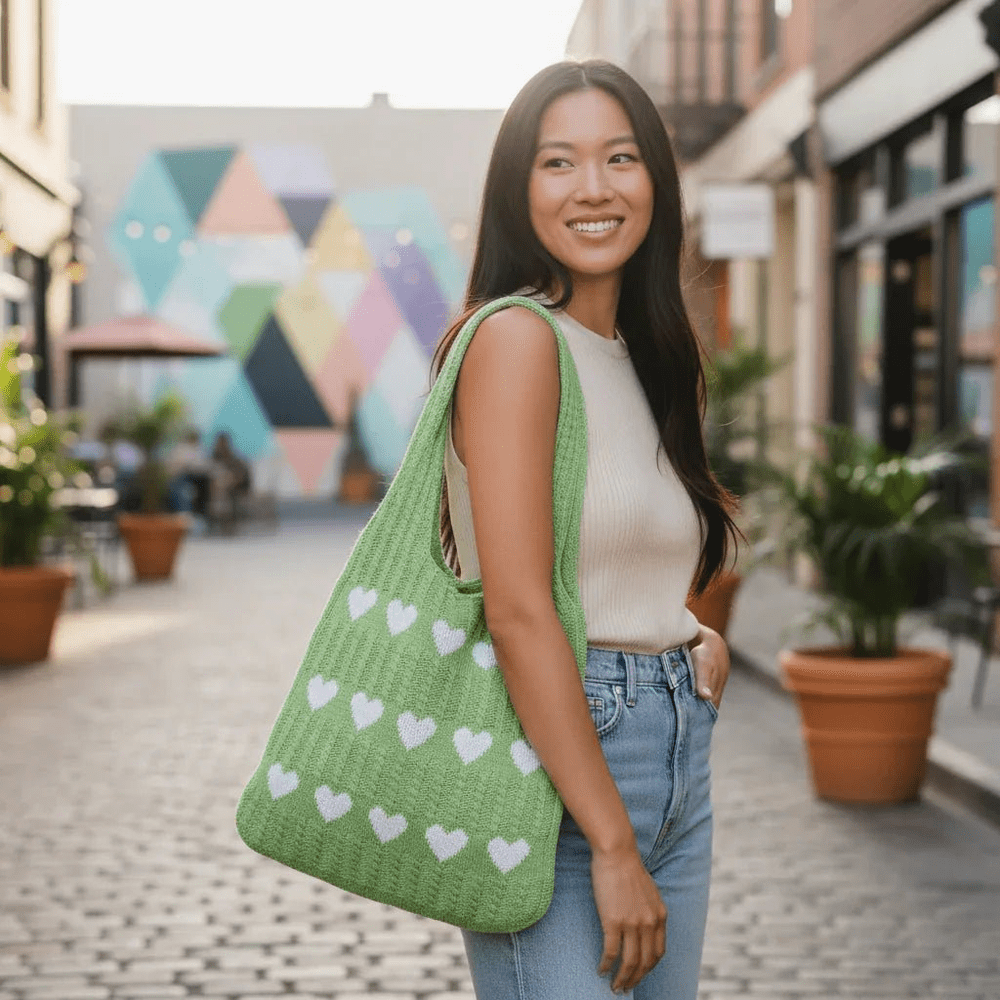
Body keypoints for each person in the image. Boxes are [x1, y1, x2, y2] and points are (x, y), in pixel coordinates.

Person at [430, 60, 740, 998]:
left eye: (621, 158)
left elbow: (622, 549)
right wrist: (609, 841)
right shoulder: (517, 340)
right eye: (559, 163)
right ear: (519, 192)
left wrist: (683, 635)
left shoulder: (644, 357)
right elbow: (522, 610)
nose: (595, 189)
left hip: (674, 751)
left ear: (657, 181)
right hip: (558, 766)